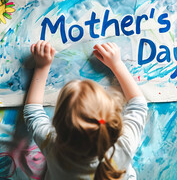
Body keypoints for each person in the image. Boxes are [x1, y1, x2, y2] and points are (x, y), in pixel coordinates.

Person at [24, 40, 148, 180]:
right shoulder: (123, 144)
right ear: (112, 119)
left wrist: (42, 67)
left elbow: (32, 113)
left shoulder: (54, 148)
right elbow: (139, 104)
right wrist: (117, 64)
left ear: (57, 125)